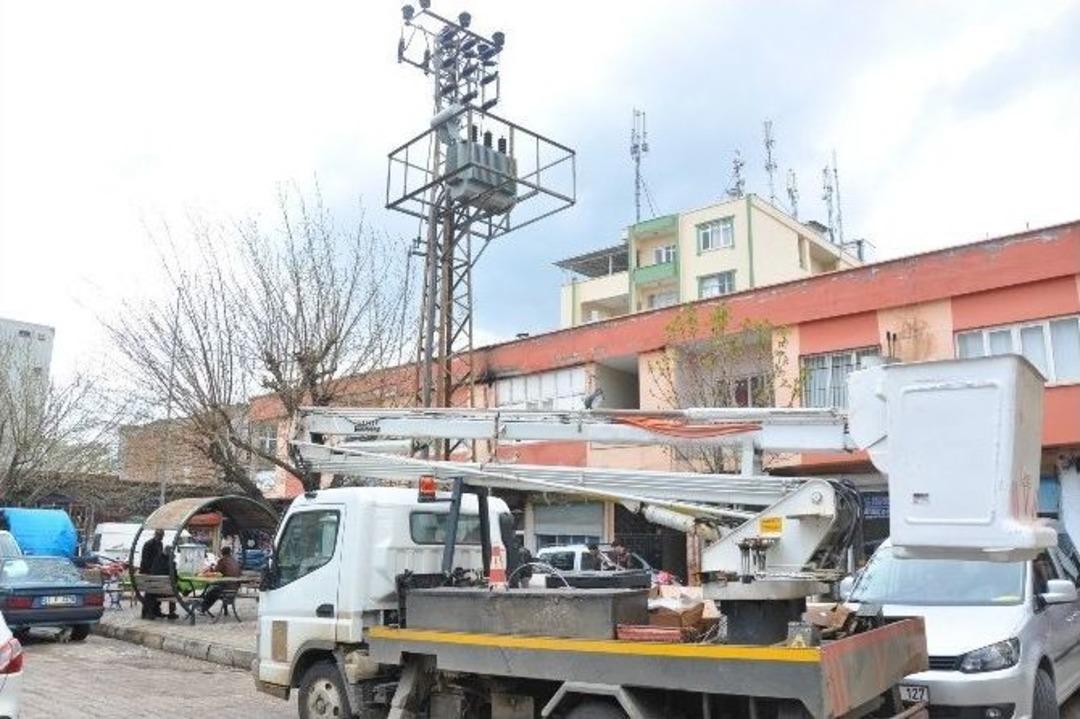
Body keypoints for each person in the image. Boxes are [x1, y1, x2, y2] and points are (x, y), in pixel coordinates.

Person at [200, 546, 242, 614]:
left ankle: (203, 608)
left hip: (227, 588)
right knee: (214, 587)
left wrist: (209, 568)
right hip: (235, 587)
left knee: (212, 592)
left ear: (222, 553)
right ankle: (224, 611)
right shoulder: (234, 560)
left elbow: (215, 570)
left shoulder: (223, 560)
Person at [139, 530, 165, 619]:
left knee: (155, 591)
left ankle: (155, 610)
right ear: (156, 535)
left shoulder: (160, 544)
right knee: (150, 592)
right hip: (148, 572)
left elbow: (160, 557)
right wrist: (150, 571)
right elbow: (145, 560)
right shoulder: (149, 544)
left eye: (162, 535)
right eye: (160, 535)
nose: (161, 537)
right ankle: (148, 612)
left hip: (155, 572)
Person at [149, 545, 179, 620]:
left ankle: (153, 611)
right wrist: (173, 562)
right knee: (173, 589)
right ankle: (172, 613)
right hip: (165, 591)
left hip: (153, 590)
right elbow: (174, 577)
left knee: (170, 587)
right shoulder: (170, 563)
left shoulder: (156, 560)